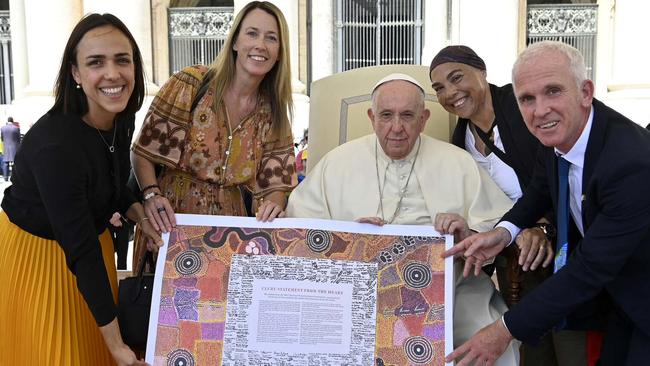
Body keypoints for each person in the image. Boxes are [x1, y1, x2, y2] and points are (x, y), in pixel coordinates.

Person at [286, 73, 520, 365]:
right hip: (357, 291)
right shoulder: (336, 164)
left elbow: (500, 227)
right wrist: (346, 239)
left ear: (424, 118)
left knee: (488, 341)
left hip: (451, 288)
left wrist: (466, 233)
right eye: (386, 115)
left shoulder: (458, 163)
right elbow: (299, 237)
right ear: (372, 117)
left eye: (408, 116)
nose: (397, 128)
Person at [443, 41, 650, 366]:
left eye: (553, 91)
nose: (540, 110)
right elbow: (540, 188)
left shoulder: (630, 164)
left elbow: (588, 270)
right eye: (527, 98)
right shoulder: (557, 134)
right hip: (621, 298)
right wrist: (504, 233)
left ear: (585, 92)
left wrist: (503, 330)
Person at [0, 13, 162, 366]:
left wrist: (139, 214)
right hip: (41, 258)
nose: (113, 74)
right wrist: (118, 346)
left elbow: (113, 183)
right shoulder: (55, 145)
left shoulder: (121, 115)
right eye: (95, 62)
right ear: (75, 73)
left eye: (123, 60)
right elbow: (80, 249)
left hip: (92, 249)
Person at [429, 45, 588, 365]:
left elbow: (558, 174)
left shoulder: (522, 110)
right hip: (512, 244)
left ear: (483, 72)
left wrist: (543, 227)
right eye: (439, 88)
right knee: (533, 341)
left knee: (572, 340)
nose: (450, 92)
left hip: (561, 239)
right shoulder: (461, 139)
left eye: (456, 78)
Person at [131, 1, 296, 268]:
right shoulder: (191, 83)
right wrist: (151, 196)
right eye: (251, 33)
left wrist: (274, 204)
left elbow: (277, 185)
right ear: (234, 42)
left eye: (271, 38)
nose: (260, 45)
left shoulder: (273, 112)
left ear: (279, 52)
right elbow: (143, 153)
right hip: (170, 227)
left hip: (229, 241)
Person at [1, 116, 21, 181]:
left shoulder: (3, 128)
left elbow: (2, 138)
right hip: (14, 147)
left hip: (6, 148)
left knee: (5, 163)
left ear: (7, 121)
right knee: (15, 163)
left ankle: (6, 178)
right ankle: (15, 177)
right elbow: (19, 138)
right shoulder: (16, 128)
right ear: (12, 121)